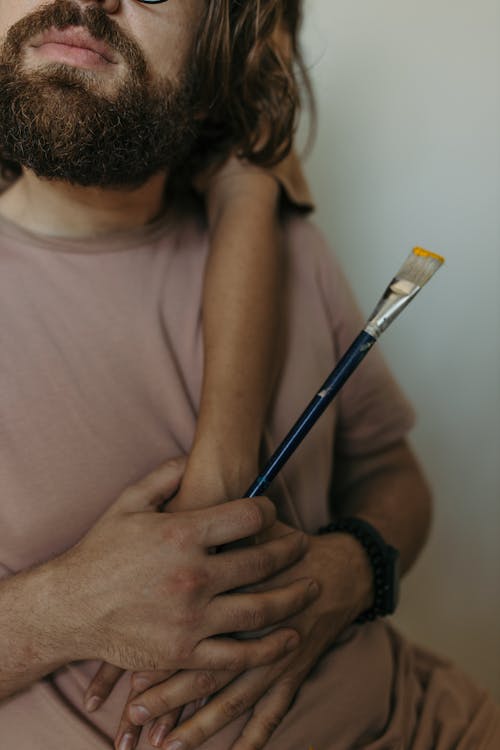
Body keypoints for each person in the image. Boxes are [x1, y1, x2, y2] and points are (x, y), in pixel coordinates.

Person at [0, 3, 498, 750]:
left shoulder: (290, 249)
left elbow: (396, 479)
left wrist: (352, 571)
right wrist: (58, 611)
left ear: (218, 51)